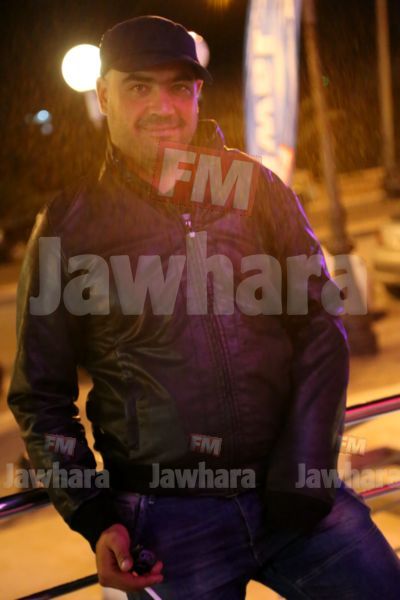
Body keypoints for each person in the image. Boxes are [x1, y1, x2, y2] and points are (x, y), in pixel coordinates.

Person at [7, 15, 400, 600]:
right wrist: (92, 513)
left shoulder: (257, 189)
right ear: (104, 97)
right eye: (139, 87)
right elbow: (39, 395)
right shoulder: (69, 227)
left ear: (197, 95)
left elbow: (320, 326)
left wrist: (306, 463)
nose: (162, 106)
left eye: (178, 87)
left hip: (290, 488)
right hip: (167, 519)